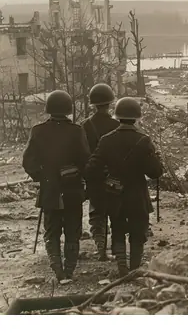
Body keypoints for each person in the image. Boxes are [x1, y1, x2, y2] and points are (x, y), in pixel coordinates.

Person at [86, 97, 163, 277]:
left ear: (118, 116)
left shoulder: (106, 140)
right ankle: (134, 269)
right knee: (138, 232)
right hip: (137, 195)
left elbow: (91, 168)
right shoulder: (144, 140)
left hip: (115, 194)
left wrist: (107, 178)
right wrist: (156, 159)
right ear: (137, 117)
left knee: (118, 229)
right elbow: (155, 172)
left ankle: (121, 266)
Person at [22, 90, 90, 281]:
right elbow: (86, 161)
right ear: (69, 109)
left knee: (51, 232)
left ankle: (58, 271)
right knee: (72, 231)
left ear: (48, 109)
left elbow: (28, 162)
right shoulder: (77, 131)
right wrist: (79, 177)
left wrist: (42, 177)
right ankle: (69, 270)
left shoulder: (38, 130)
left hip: (50, 190)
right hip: (73, 190)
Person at [81, 83, 119, 261]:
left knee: (97, 213)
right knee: (115, 211)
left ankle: (101, 249)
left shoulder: (84, 126)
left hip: (94, 175)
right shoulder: (116, 125)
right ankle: (117, 250)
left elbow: (81, 153)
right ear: (110, 103)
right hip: (114, 175)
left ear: (93, 104)